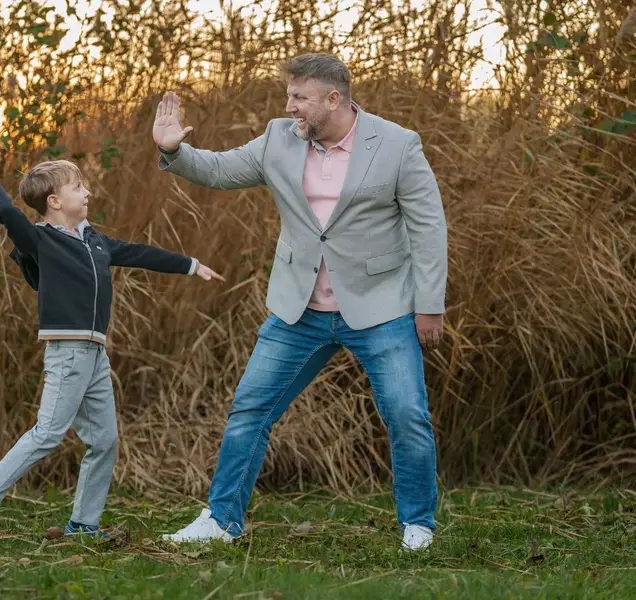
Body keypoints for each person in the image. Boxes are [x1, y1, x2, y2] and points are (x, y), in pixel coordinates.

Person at [154, 53, 447, 550]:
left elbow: (428, 226)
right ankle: (222, 521)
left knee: (406, 414)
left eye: (299, 98)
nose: (289, 107)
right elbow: (222, 170)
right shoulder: (279, 138)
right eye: (288, 96)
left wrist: (430, 304)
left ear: (335, 99)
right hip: (299, 311)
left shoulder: (397, 144)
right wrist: (175, 152)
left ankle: (417, 524)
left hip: (381, 308)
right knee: (251, 408)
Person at [0, 154, 224, 541]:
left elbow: (137, 253)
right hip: (67, 351)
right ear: (54, 202)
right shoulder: (42, 240)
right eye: (79, 187)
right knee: (47, 434)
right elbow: (8, 215)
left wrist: (191, 264)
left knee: (104, 441)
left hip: (95, 355)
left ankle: (83, 524)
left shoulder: (96, 242)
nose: (88, 192)